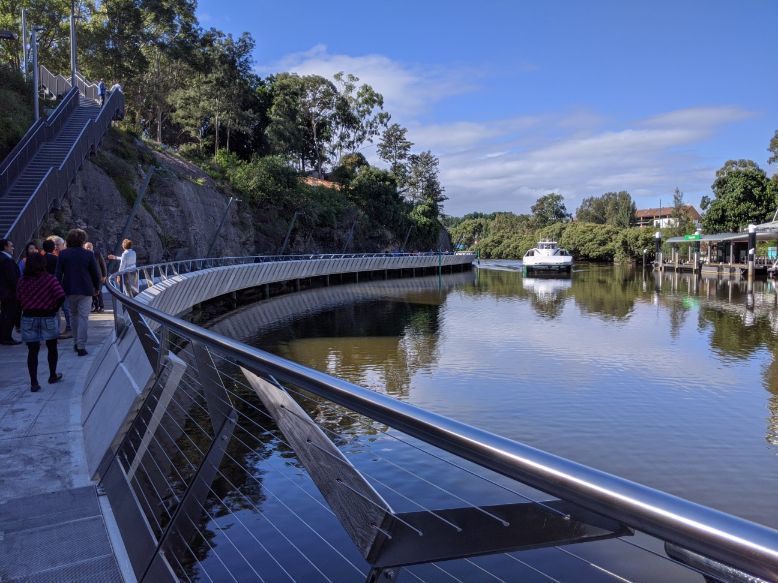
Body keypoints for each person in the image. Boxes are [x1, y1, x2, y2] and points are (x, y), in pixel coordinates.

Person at [17, 254, 65, 391]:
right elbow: (60, 295)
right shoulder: (50, 279)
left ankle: (34, 382)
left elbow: (18, 298)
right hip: (48, 316)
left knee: (32, 351)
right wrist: (54, 308)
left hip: (29, 317)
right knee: (52, 347)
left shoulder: (22, 281)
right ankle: (52, 375)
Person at [55, 229, 100, 356]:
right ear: (82, 240)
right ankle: (81, 345)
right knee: (83, 317)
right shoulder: (88, 254)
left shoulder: (63, 254)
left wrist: (56, 289)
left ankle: (75, 342)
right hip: (86, 289)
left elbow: (58, 273)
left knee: (74, 316)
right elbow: (95, 273)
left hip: (69, 289)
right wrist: (97, 287)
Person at [46, 236, 71, 337]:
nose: (56, 247)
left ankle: (69, 328)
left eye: (58, 244)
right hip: (51, 288)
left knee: (66, 309)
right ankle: (55, 331)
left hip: (63, 287)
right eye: (54, 244)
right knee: (55, 310)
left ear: (63, 245)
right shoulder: (47, 258)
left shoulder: (66, 256)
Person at [0, 239, 21, 345]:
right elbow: (12, 279)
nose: (13, 248)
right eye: (11, 246)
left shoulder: (4, 258)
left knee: (5, 314)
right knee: (9, 314)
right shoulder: (6, 260)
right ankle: (6, 337)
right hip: (9, 293)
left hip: (5, 292)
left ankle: (4, 336)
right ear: (5, 247)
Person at [85, 242, 107, 312]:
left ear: (92, 247)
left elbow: (103, 265)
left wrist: (104, 276)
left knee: (99, 292)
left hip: (98, 277)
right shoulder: (84, 255)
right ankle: (95, 306)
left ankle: (101, 307)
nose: (88, 248)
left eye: (89, 247)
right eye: (87, 247)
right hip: (89, 277)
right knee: (92, 292)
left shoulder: (97, 254)